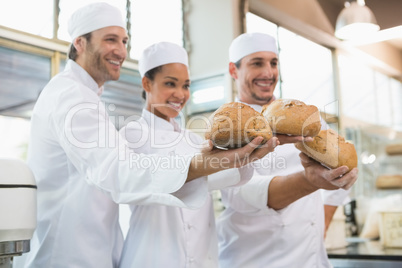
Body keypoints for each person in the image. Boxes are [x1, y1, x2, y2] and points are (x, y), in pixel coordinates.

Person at [22, 3, 278, 267]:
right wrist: (207, 163)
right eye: (110, 39)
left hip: (92, 252)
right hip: (65, 256)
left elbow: (197, 179)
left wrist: (245, 155)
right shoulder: (70, 95)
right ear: (80, 43)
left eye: (124, 41)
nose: (121, 50)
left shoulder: (85, 97)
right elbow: (118, 170)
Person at [118, 41, 267, 268]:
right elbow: (164, 180)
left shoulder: (194, 140)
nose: (180, 94)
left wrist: (250, 153)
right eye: (170, 84)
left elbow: (219, 179)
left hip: (200, 256)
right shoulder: (131, 134)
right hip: (151, 257)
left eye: (186, 85)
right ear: (147, 83)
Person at [216, 32, 359, 268]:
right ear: (233, 70)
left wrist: (322, 222)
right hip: (254, 259)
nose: (268, 73)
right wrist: (311, 181)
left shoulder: (304, 117)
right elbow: (242, 194)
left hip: (311, 258)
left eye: (273, 63)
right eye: (257, 63)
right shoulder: (229, 125)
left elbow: (340, 168)